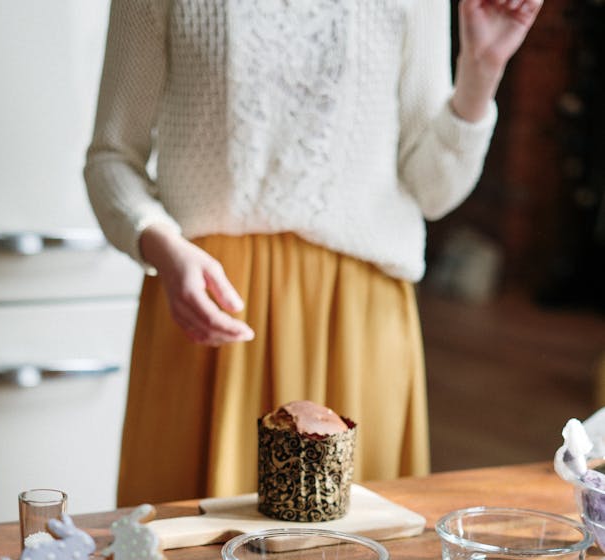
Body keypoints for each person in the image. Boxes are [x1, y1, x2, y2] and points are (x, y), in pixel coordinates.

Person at [85, 0, 542, 506]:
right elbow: (111, 158)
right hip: (207, 316)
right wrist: (161, 243)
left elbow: (432, 190)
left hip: (356, 321)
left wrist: (482, 68)